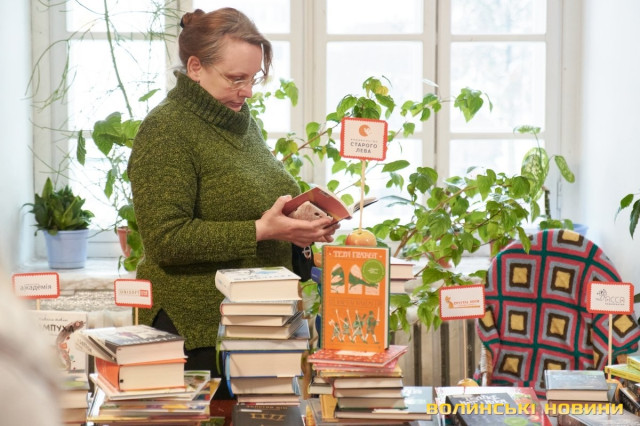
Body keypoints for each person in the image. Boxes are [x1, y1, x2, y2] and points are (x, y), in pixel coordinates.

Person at [127, 7, 338, 397]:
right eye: (236, 78)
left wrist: (299, 223)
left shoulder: (239, 120)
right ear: (195, 67)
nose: (248, 91)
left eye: (253, 78)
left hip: (256, 324)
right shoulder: (165, 131)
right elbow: (166, 240)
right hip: (201, 333)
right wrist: (261, 230)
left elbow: (256, 199)